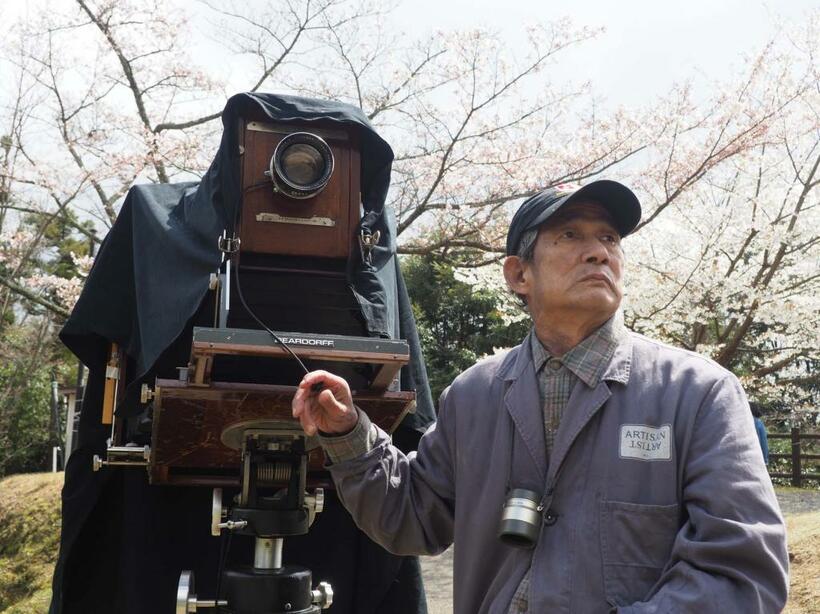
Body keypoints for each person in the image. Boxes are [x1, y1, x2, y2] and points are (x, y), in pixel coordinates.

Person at [291, 180, 789, 613]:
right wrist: (348, 434)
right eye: (570, 235)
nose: (598, 252)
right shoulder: (474, 394)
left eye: (609, 238)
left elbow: (741, 569)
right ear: (518, 275)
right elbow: (413, 519)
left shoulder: (699, 393)